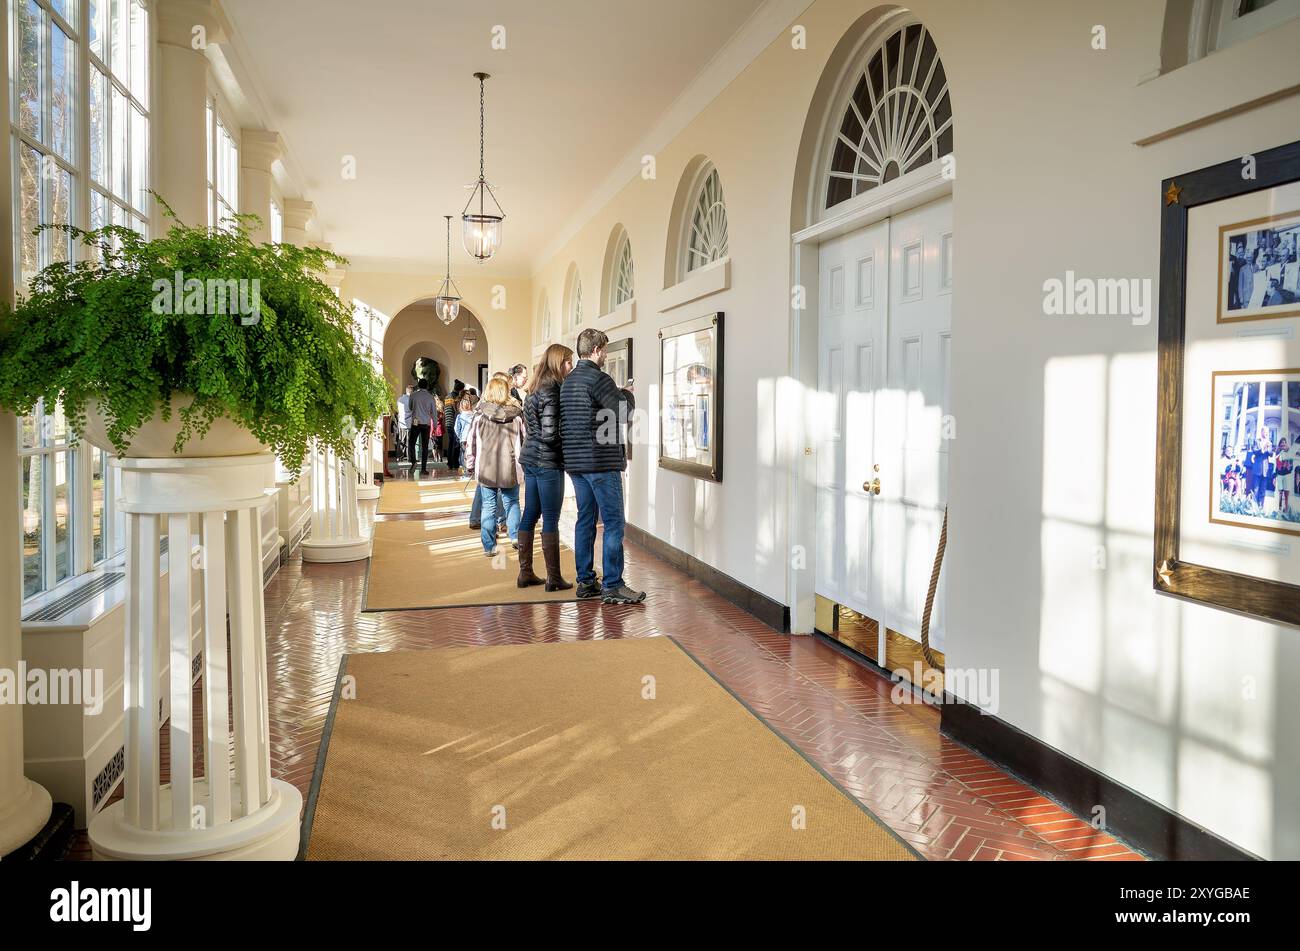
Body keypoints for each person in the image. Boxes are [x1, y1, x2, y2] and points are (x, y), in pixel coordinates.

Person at [560, 327, 644, 604]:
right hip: (601, 463)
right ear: (596, 350)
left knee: (585, 519)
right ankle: (613, 584)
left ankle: (585, 581)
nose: (606, 355)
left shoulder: (569, 381)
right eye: (605, 350)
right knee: (613, 523)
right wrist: (628, 394)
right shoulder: (599, 378)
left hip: (576, 463)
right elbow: (624, 413)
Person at [517, 344, 575, 590]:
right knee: (551, 517)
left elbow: (534, 428)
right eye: (567, 361)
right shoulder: (552, 389)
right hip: (547, 461)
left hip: (530, 459)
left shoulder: (534, 388)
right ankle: (554, 578)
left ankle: (525, 573)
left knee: (530, 513)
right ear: (556, 363)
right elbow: (551, 433)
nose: (570, 367)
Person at [465, 375, 525, 555]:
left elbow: (472, 443)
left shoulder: (480, 416)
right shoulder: (516, 416)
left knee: (488, 507)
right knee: (513, 503)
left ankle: (489, 546)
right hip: (511, 467)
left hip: (487, 468)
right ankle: (515, 536)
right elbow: (525, 440)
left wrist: (470, 464)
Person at [407, 378, 438, 477]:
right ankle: (423, 469)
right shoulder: (430, 397)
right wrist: (435, 425)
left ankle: (413, 461)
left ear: (418, 385)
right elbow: (434, 413)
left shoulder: (413, 395)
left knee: (411, 443)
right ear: (427, 386)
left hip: (416, 422)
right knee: (425, 446)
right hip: (426, 423)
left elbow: (410, 407)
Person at [444, 381, 464, 471]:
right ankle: (455, 463)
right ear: (461, 389)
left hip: (448, 422)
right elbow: (456, 410)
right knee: (455, 444)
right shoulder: (456, 397)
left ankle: (449, 463)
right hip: (455, 422)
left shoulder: (447, 396)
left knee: (451, 443)